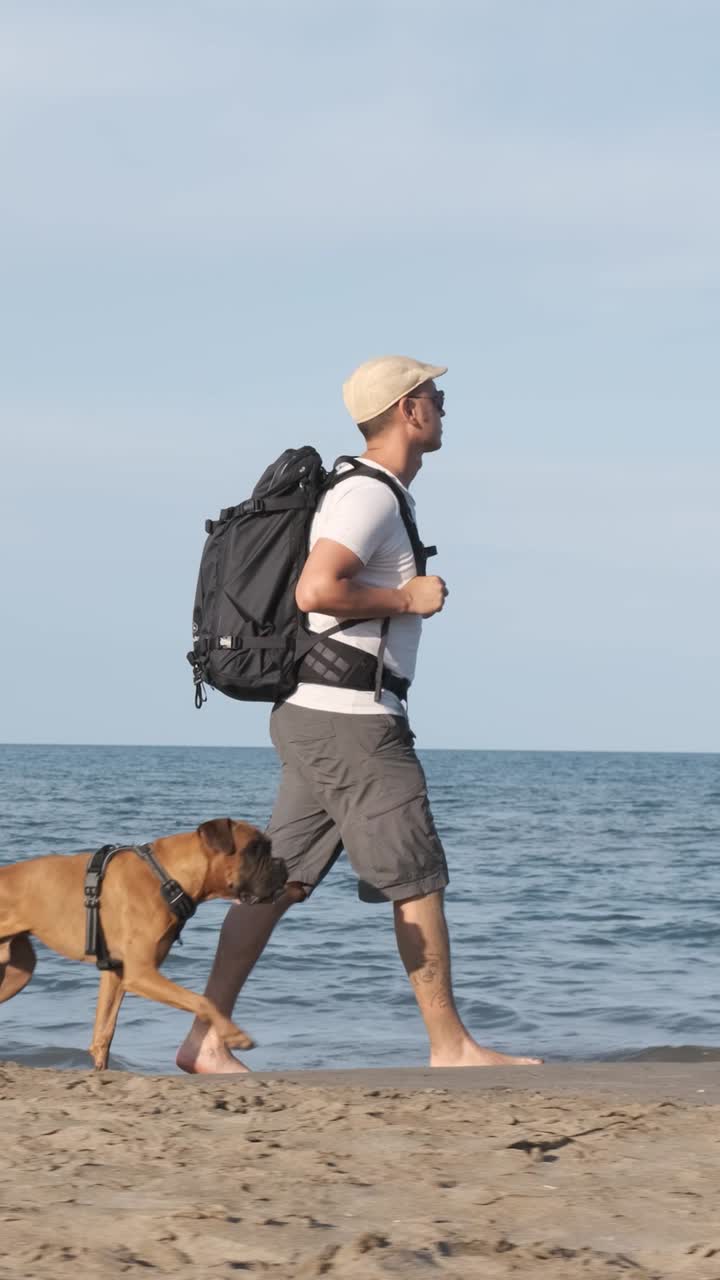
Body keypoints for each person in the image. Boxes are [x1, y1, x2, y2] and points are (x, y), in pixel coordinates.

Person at [177, 355, 541, 1073]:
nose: (444, 405)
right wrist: (409, 599)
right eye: (435, 394)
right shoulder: (367, 498)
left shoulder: (366, 492)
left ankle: (205, 1038)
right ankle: (452, 1046)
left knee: (274, 879)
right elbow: (317, 590)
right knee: (416, 875)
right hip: (352, 722)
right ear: (409, 410)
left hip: (319, 716)